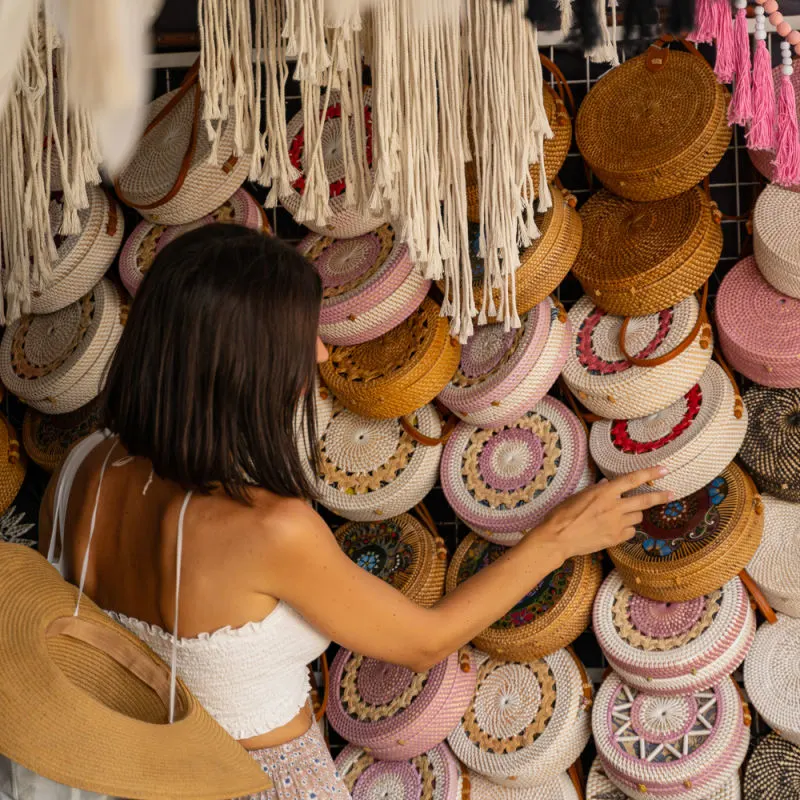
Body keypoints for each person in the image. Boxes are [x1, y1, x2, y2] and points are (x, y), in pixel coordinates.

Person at [39, 223, 673, 800]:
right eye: (300, 335)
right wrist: (558, 537)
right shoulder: (266, 529)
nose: (317, 355)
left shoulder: (81, 472)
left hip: (138, 779)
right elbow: (424, 643)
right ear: (241, 362)